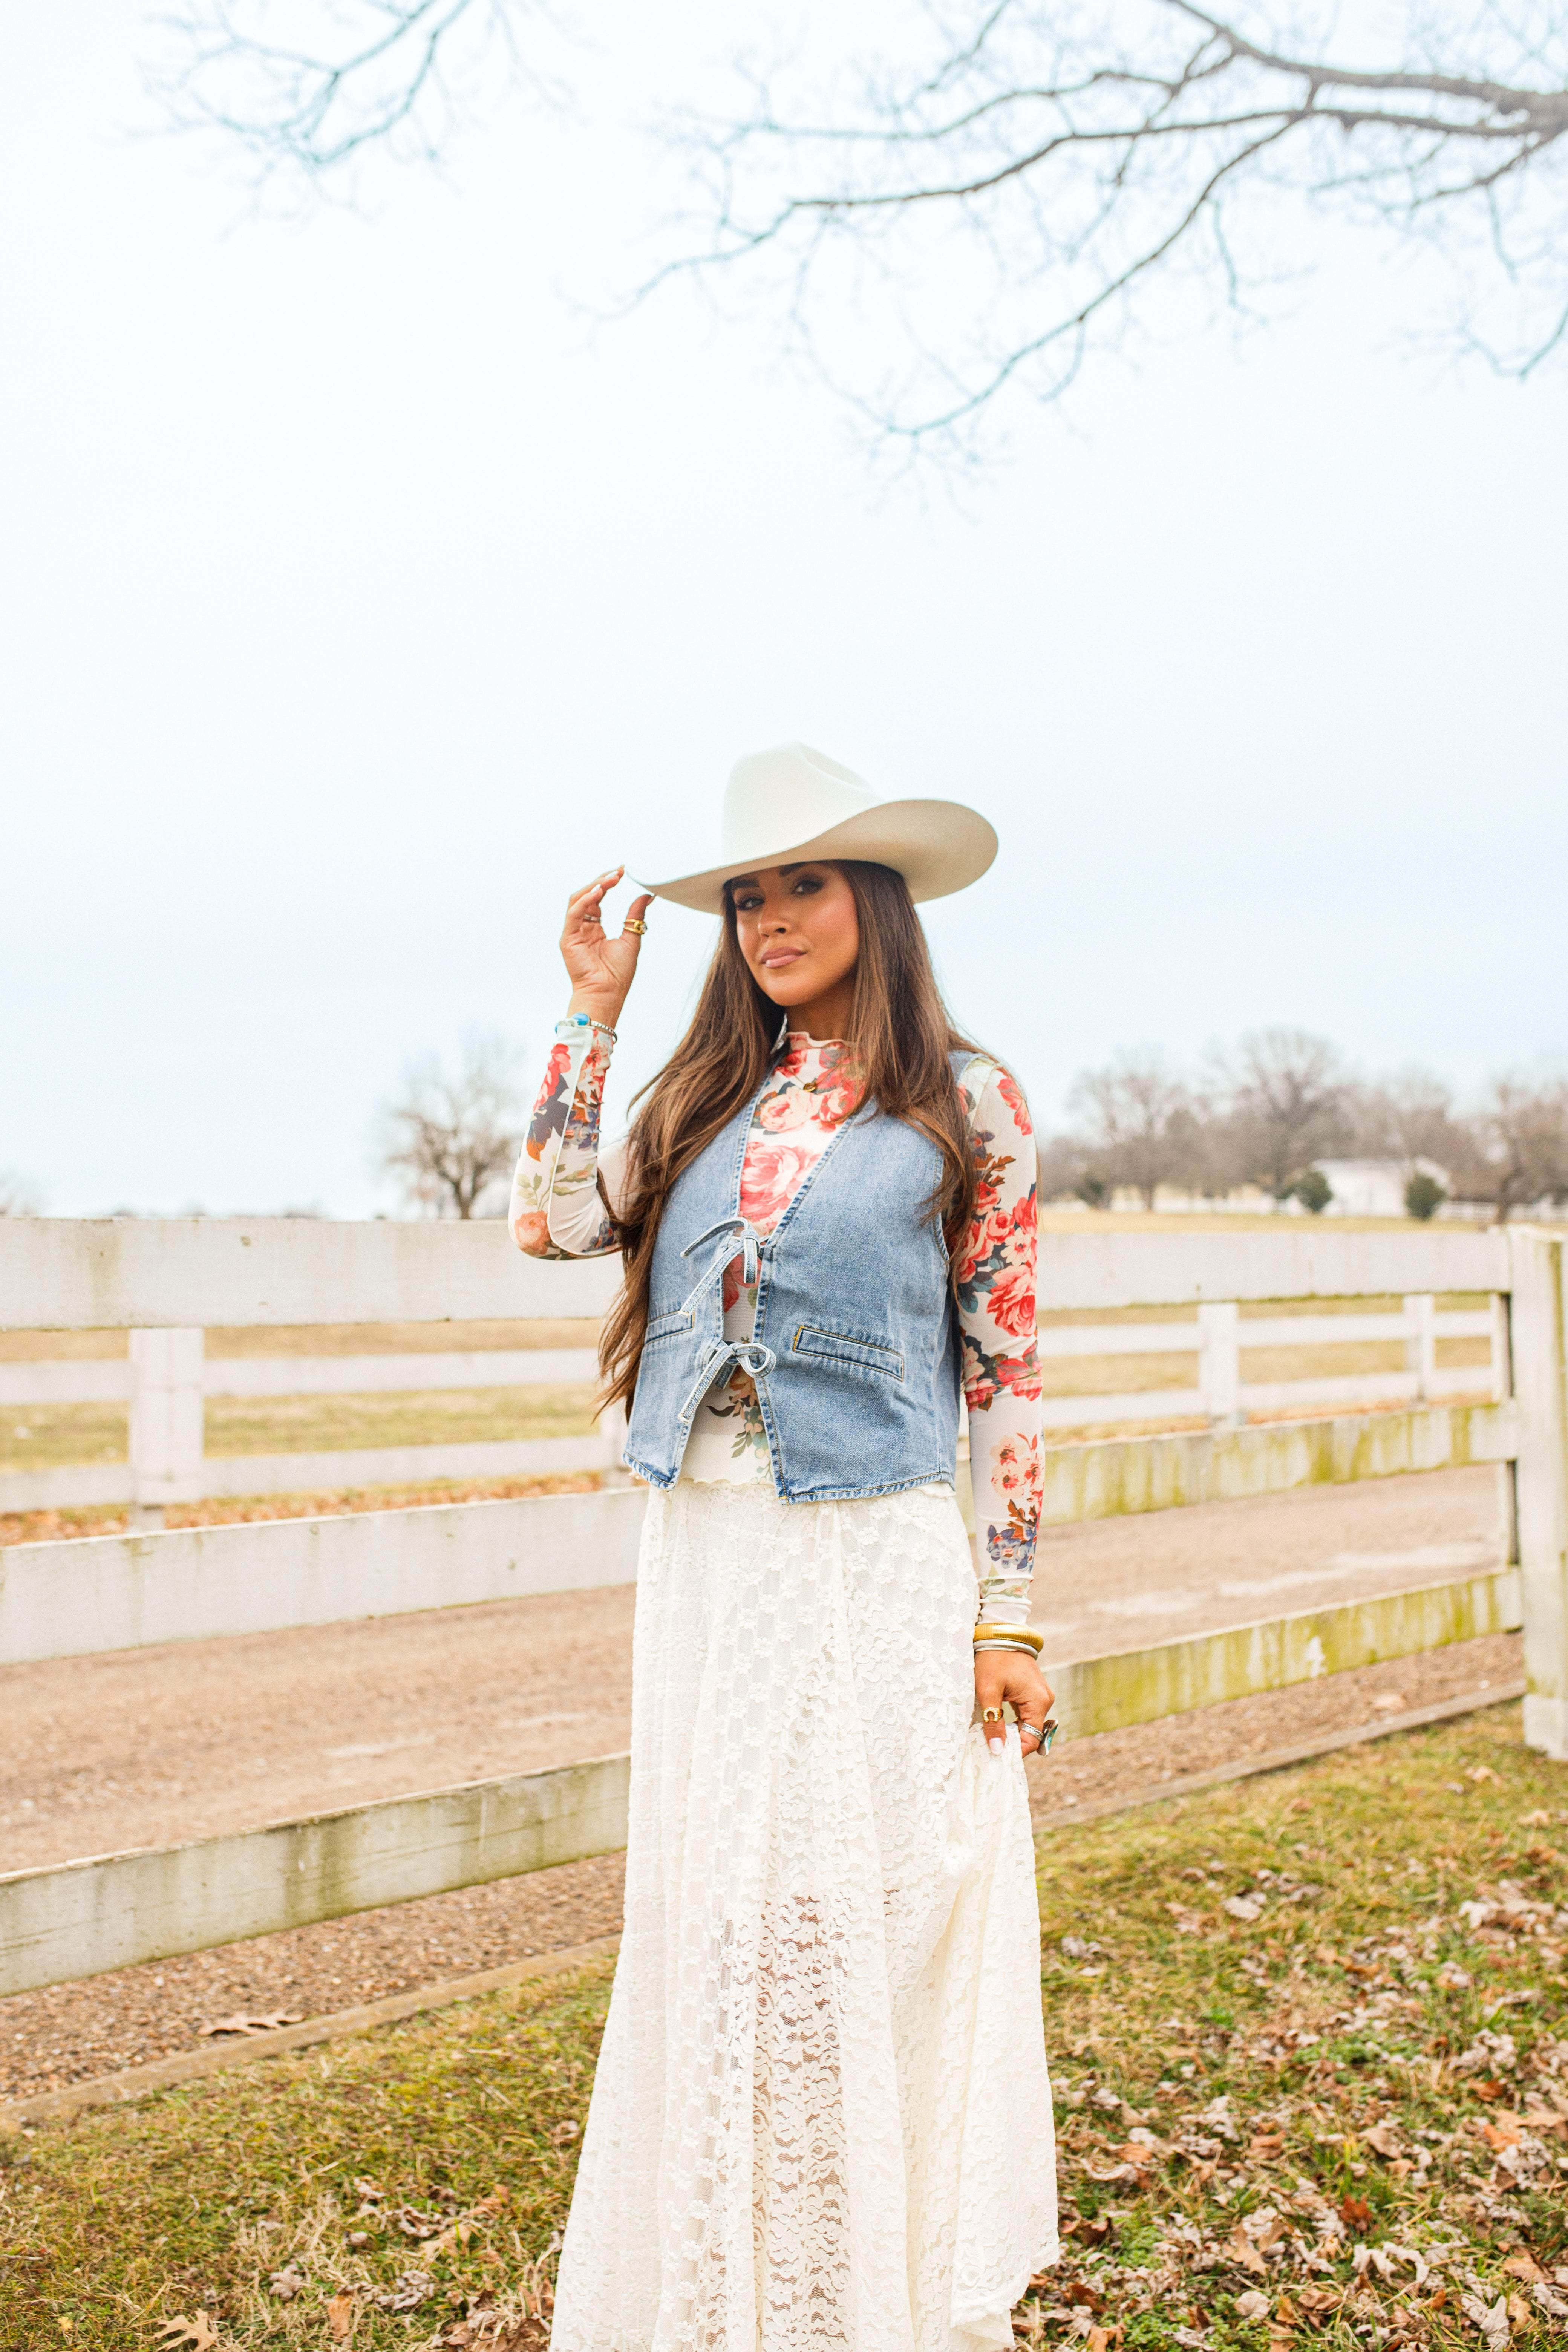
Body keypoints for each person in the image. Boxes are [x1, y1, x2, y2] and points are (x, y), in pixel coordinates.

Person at [509, 743, 1057, 2352]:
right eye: (745, 895)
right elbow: (548, 1218)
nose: (765, 919)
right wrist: (590, 1013)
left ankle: (856, 2284)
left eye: (800, 885)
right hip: (709, 1558)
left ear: (871, 903)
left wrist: (1006, 1610)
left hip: (874, 1554)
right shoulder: (699, 1099)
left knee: (875, 1900)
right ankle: (726, 2286)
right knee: (724, 1913)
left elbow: (1005, 1366)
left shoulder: (967, 1101)